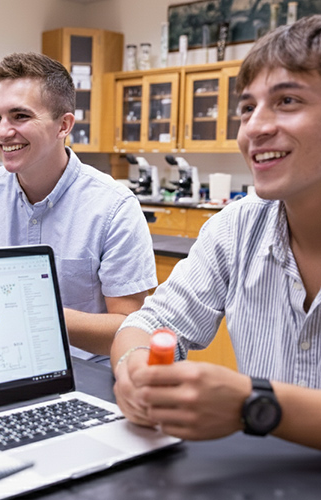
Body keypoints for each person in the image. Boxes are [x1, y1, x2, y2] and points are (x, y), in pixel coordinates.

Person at [112, 15, 321, 450]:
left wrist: (255, 405)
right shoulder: (237, 227)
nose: (255, 128)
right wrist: (134, 370)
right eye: (247, 108)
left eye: (287, 101)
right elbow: (147, 324)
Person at [0, 52, 156, 362]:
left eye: (20, 116)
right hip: (0, 362)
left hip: (82, 373)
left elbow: (129, 328)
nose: (1, 131)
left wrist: (30, 310)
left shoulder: (113, 207)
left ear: (63, 125)